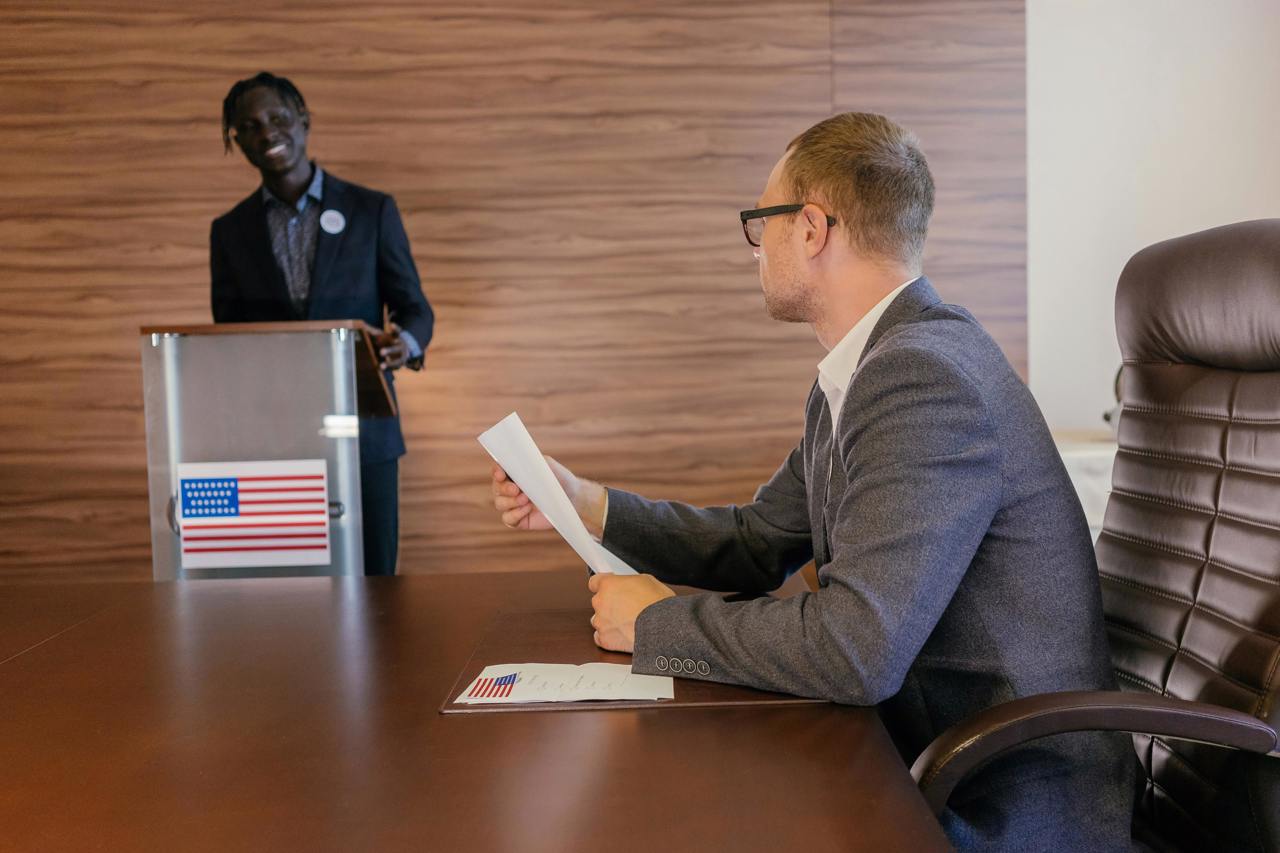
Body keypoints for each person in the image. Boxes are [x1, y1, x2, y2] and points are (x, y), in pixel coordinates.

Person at [490, 113, 1135, 851]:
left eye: (759, 223)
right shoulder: (865, 372)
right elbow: (757, 541)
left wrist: (656, 625)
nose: (755, 248)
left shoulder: (922, 376)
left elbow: (858, 647)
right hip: (918, 754)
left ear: (810, 228)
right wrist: (587, 503)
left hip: (999, 802)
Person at [211, 71, 434, 576]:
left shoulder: (372, 211)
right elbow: (227, 338)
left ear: (304, 121)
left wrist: (405, 343)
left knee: (377, 581)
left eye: (278, 118)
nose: (267, 133)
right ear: (237, 141)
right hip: (275, 435)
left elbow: (415, 308)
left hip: (366, 430)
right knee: (293, 581)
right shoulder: (229, 232)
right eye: (250, 126)